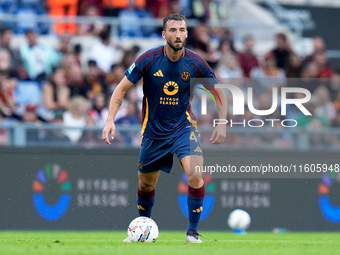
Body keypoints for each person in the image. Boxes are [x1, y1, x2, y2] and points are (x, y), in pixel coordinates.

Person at [102, 13, 227, 243]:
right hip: (154, 131)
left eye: (181, 30)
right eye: (173, 30)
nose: (177, 34)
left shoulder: (196, 62)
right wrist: (110, 119)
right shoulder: (148, 60)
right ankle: (142, 227)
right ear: (164, 34)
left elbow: (219, 92)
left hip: (183, 127)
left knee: (196, 174)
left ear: (187, 33)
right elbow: (120, 89)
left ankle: (192, 232)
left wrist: (221, 122)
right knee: (146, 184)